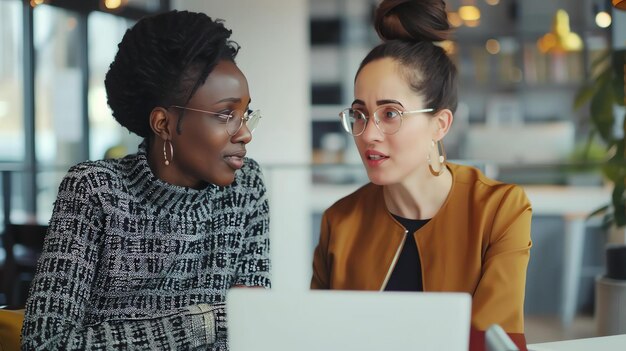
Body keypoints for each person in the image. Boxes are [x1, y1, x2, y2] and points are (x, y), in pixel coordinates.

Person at [21, 10, 270, 350]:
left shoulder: (247, 186)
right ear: (163, 124)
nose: (244, 133)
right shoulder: (94, 190)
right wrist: (206, 322)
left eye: (245, 115)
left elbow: (254, 330)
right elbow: (44, 344)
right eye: (226, 114)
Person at [310, 0, 532, 335]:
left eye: (390, 114)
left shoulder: (499, 210)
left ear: (440, 124)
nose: (368, 134)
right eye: (359, 114)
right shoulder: (340, 221)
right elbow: (318, 336)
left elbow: (496, 339)